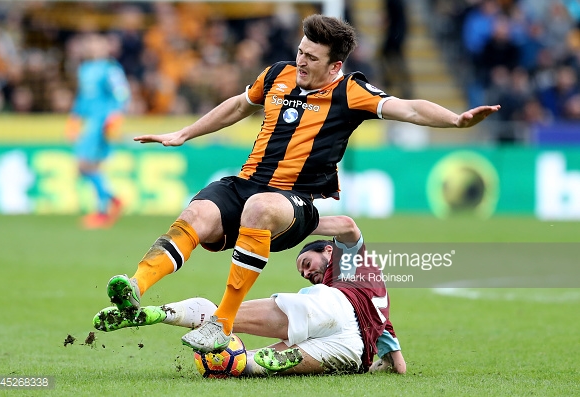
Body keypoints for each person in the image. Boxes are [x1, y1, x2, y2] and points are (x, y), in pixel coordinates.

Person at [103, 14, 499, 353]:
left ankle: (221, 322)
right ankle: (135, 287)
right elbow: (240, 105)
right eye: (300, 51)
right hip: (246, 183)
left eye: (312, 57)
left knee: (260, 208)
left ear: (334, 66)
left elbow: (408, 107)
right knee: (197, 213)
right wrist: (184, 133)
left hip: (294, 202)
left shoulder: (350, 91)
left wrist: (457, 120)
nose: (301, 61)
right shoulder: (277, 74)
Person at [94, 216, 406, 376]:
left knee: (223, 316)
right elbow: (398, 364)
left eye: (307, 264)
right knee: (245, 366)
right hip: (352, 350)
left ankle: (159, 313)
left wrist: (294, 226)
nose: (308, 272)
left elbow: (348, 227)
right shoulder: (381, 305)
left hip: (333, 306)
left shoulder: (348, 263)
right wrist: (381, 366)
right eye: (304, 271)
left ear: (329, 250)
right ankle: (260, 360)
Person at [66, 33, 130, 229]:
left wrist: (115, 116)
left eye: (97, 43)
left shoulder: (111, 69)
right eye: (89, 43)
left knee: (86, 165)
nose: (92, 47)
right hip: (89, 123)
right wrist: (74, 119)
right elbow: (82, 98)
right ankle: (111, 202)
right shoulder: (84, 69)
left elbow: (122, 94)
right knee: (86, 167)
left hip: (102, 123)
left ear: (105, 47)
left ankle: (105, 209)